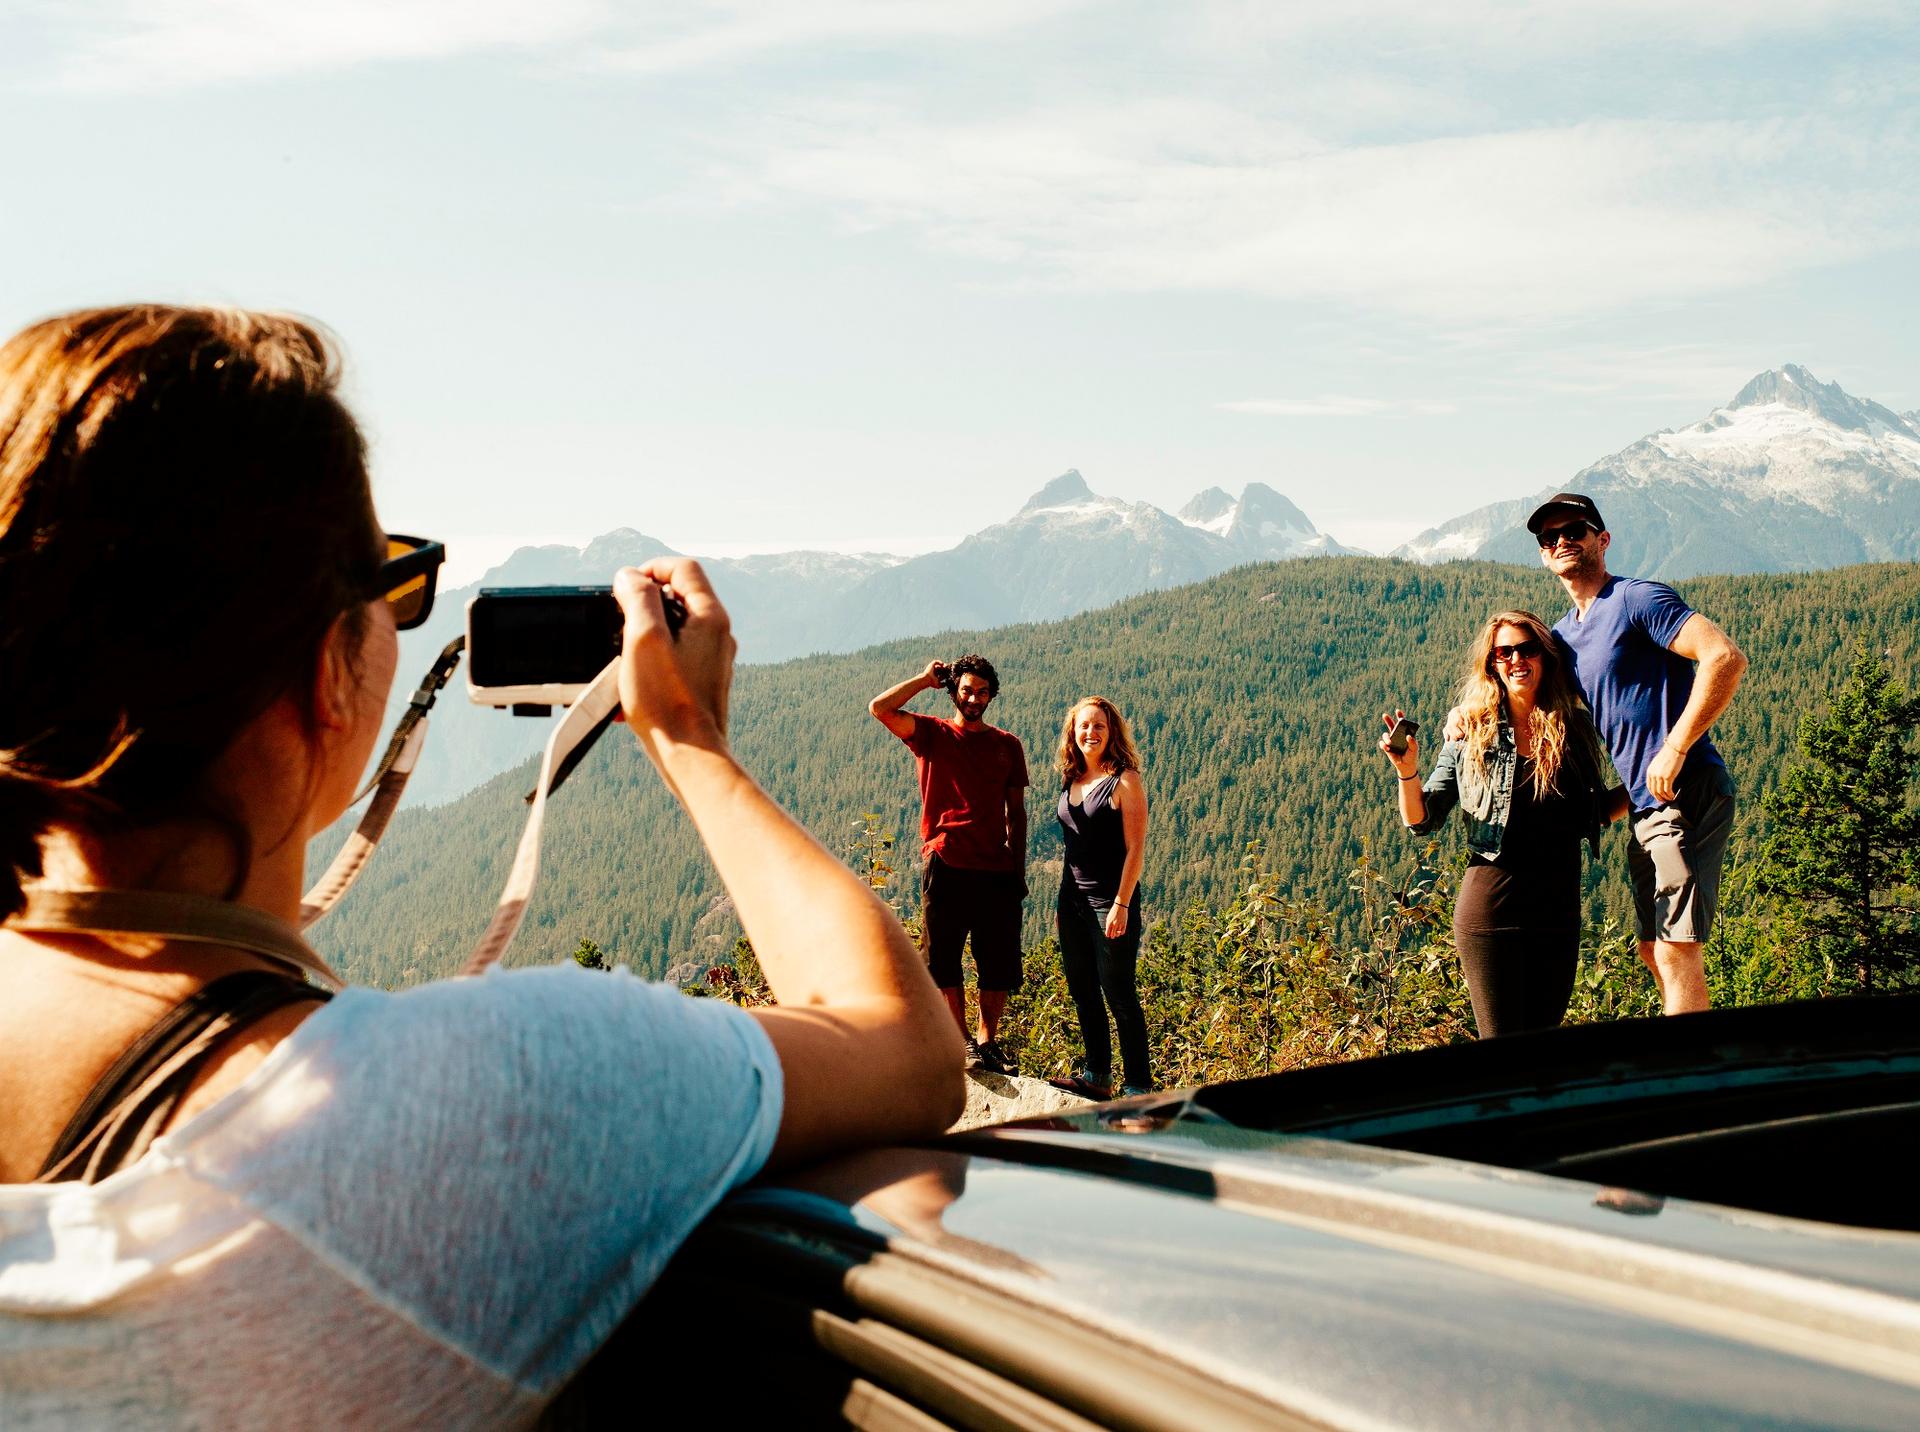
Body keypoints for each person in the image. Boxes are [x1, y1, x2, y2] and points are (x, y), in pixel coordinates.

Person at [0, 305, 963, 1427]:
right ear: (329, 667)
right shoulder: (482, 1097)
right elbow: (901, 1040)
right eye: (394, 584)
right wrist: (690, 738)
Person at [1528, 493, 1746, 1015]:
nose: (1562, 541)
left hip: (1687, 791)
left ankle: (1687, 1085)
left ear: (1602, 540)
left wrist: (1675, 747)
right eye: (1549, 537)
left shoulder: (1637, 599)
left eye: (1574, 530)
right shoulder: (1563, 635)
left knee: (1676, 946)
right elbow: (1518, 694)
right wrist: (1462, 721)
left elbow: (1724, 657)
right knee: (1654, 949)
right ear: (1542, 554)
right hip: (1647, 808)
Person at [1383, 612, 1625, 1038]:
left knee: (1542, 1052)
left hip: (1558, 916)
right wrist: (1407, 770)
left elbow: (1594, 812)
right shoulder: (1469, 733)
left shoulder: (1575, 730)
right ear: (1492, 663)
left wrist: (1651, 780)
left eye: (1527, 649)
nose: (1516, 659)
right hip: (1491, 915)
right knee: (1502, 1053)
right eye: (1504, 652)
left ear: (1546, 658)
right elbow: (1422, 819)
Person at [868, 654, 1029, 1074]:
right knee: (943, 958)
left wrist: (1018, 869)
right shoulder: (932, 734)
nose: (974, 698)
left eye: (981, 692)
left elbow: (1018, 812)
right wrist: (923, 679)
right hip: (946, 861)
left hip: (996, 868)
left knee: (997, 962)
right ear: (954, 691)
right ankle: (960, 1041)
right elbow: (880, 708)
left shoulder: (1007, 745)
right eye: (967, 690)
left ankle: (987, 1040)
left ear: (992, 694)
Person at [1047, 696, 1151, 1099]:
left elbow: (1135, 850)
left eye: (1099, 727)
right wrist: (1062, 905)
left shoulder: (1125, 780)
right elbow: (1073, 850)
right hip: (1072, 904)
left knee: (1119, 992)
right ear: (1073, 732)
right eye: (1084, 726)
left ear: (1112, 734)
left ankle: (1139, 1086)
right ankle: (1097, 1076)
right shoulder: (1071, 778)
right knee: (1082, 989)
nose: (1091, 732)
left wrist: (1122, 904)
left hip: (1111, 903)